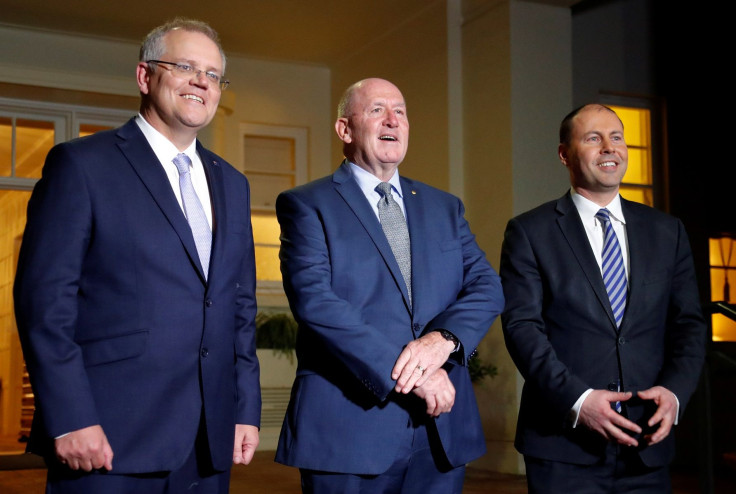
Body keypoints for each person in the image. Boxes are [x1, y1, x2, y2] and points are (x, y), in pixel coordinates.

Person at [14, 17, 260, 493]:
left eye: (212, 74)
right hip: (107, 435)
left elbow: (239, 306)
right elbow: (45, 304)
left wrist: (244, 408)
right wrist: (69, 417)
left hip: (209, 442)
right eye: (185, 66)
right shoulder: (82, 165)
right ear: (145, 76)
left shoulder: (233, 182)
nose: (200, 82)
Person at [273, 77, 504, 493]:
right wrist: (415, 374)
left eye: (400, 111)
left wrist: (443, 340)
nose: (392, 120)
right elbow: (317, 304)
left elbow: (487, 286)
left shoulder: (444, 207)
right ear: (345, 129)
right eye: (377, 109)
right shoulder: (306, 204)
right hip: (350, 428)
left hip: (441, 431)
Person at [500, 103, 706, 493]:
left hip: (647, 444)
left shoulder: (667, 231)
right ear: (565, 154)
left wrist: (676, 392)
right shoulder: (530, 232)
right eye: (593, 138)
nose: (609, 148)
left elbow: (689, 325)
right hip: (563, 446)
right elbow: (522, 328)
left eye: (616, 137)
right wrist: (578, 399)